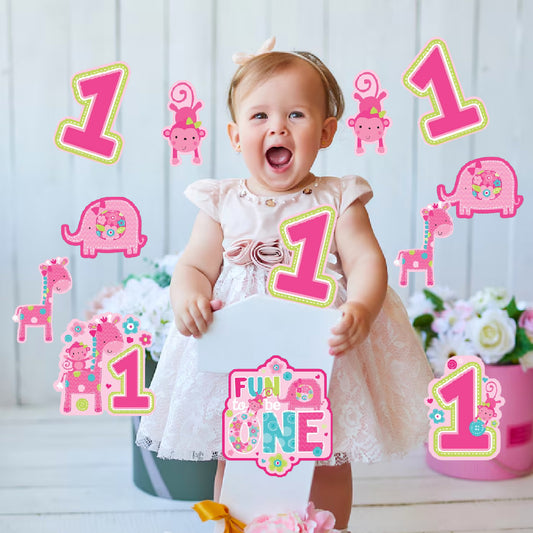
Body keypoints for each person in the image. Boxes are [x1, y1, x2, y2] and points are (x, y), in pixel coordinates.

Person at [137, 38, 433, 533]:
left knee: (327, 453)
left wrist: (362, 305)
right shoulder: (220, 202)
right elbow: (193, 265)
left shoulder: (339, 198)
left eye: (296, 114)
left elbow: (365, 259)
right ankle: (238, 524)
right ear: (236, 136)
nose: (277, 127)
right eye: (260, 116)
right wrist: (187, 294)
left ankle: (330, 526)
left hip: (320, 350)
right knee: (238, 448)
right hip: (242, 353)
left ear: (326, 131)